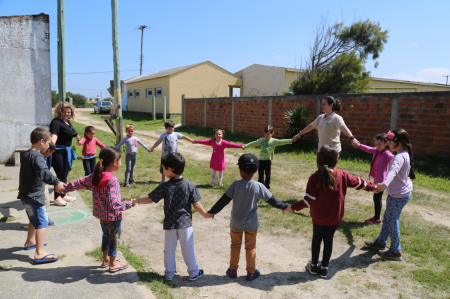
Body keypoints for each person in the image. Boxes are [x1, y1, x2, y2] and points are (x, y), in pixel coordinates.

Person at [284, 145, 375, 278]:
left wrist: (291, 207)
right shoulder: (342, 175)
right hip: (334, 217)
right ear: (336, 160)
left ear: (318, 160)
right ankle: (325, 268)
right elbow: (359, 182)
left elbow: (309, 201)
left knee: (317, 239)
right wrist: (374, 187)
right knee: (328, 240)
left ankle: (314, 266)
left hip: (318, 217)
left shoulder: (314, 177)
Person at [207, 153, 288, 281]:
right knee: (250, 247)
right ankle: (251, 272)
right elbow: (272, 200)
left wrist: (212, 211)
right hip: (251, 224)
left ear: (240, 170)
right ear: (256, 170)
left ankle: (233, 270)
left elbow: (224, 200)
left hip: (236, 224)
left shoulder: (235, 185)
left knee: (235, 245)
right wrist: (284, 206)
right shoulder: (259, 186)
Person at [132, 152, 209, 281]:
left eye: (163, 168)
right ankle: (193, 272)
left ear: (170, 169)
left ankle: (169, 274)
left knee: (169, 250)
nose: (162, 170)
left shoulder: (165, 186)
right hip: (185, 224)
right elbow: (196, 204)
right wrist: (205, 214)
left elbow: (151, 199)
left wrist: (136, 200)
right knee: (188, 249)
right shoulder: (189, 185)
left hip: (170, 224)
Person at [64, 146, 134, 272]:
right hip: (113, 217)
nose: (121, 163)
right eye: (120, 160)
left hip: (102, 216)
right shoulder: (113, 180)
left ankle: (106, 259)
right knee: (114, 239)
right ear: (114, 162)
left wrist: (66, 188)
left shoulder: (95, 175)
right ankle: (113, 264)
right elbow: (115, 204)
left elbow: (79, 182)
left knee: (106, 236)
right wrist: (130, 204)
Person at [364, 129, 415, 261]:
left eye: (390, 141)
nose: (388, 143)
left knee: (393, 221)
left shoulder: (398, 157)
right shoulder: (404, 153)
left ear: (398, 142)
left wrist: (383, 185)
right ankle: (381, 242)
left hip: (398, 196)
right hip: (401, 193)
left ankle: (396, 251)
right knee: (387, 217)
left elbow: (392, 171)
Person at [19, 128, 66, 263]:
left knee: (33, 220)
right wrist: (57, 182)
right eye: (48, 142)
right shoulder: (37, 156)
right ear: (42, 141)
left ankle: (30, 241)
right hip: (34, 196)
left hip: (26, 195)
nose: (49, 146)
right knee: (42, 222)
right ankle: (39, 252)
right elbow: (44, 173)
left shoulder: (28, 154)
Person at [294, 96, 359, 159]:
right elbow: (310, 126)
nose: (322, 106)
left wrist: (352, 138)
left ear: (331, 105)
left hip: (332, 152)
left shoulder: (337, 118)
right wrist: (299, 134)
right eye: (322, 104)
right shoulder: (320, 117)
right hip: (321, 151)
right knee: (320, 170)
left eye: (324, 104)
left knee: (328, 170)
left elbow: (344, 128)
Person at [353, 133, 394, 224]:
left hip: (382, 182)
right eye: (376, 144)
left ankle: (377, 219)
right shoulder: (376, 151)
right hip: (377, 180)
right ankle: (376, 218)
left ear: (386, 143)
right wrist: (359, 145)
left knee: (377, 198)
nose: (377, 146)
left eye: (379, 144)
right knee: (376, 198)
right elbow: (367, 148)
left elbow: (395, 160)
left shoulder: (387, 154)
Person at [50, 102, 80, 206]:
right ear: (59, 112)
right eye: (64, 112)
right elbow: (54, 133)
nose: (66, 114)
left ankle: (63, 195)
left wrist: (78, 139)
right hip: (57, 151)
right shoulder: (56, 122)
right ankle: (57, 197)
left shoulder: (67, 122)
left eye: (68, 112)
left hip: (66, 152)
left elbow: (74, 133)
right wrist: (52, 144)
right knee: (60, 174)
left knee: (65, 173)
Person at [149, 120, 195, 184]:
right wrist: (152, 148)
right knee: (164, 168)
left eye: (172, 127)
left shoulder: (176, 134)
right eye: (169, 127)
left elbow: (184, 136)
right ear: (166, 128)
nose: (171, 129)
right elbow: (158, 142)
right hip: (164, 156)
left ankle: (172, 180)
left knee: (173, 168)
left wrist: (191, 140)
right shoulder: (163, 135)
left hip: (173, 156)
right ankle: (163, 180)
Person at [43, 142, 57, 225]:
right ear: (48, 150)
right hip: (40, 186)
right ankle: (43, 220)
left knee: (46, 202)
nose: (50, 155)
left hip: (44, 184)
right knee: (45, 202)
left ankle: (45, 218)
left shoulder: (43, 157)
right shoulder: (39, 159)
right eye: (51, 153)